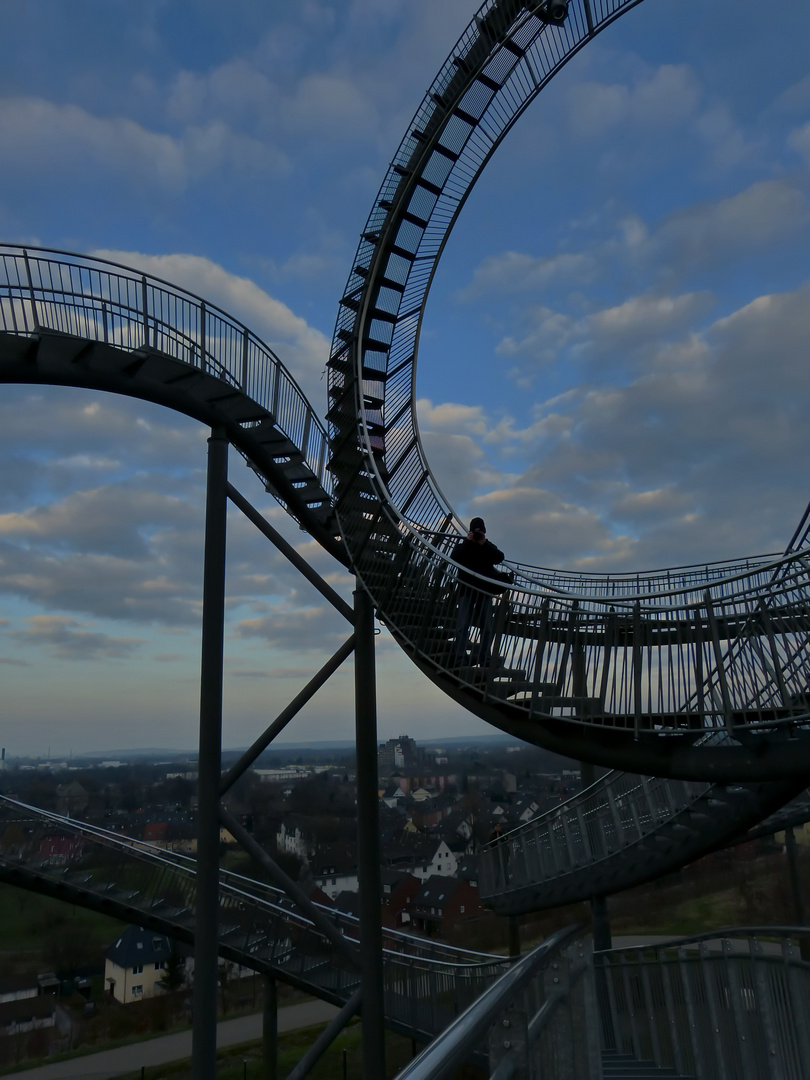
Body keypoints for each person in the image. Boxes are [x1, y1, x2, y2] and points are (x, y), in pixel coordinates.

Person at [452, 516, 509, 668]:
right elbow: (454, 557)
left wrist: (484, 544)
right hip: (466, 591)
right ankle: (460, 658)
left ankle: (485, 659)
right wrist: (467, 542)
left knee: (486, 628)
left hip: (484, 592)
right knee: (462, 626)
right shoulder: (464, 546)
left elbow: (500, 557)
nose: (478, 535)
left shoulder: (487, 546)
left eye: (480, 533)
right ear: (470, 532)